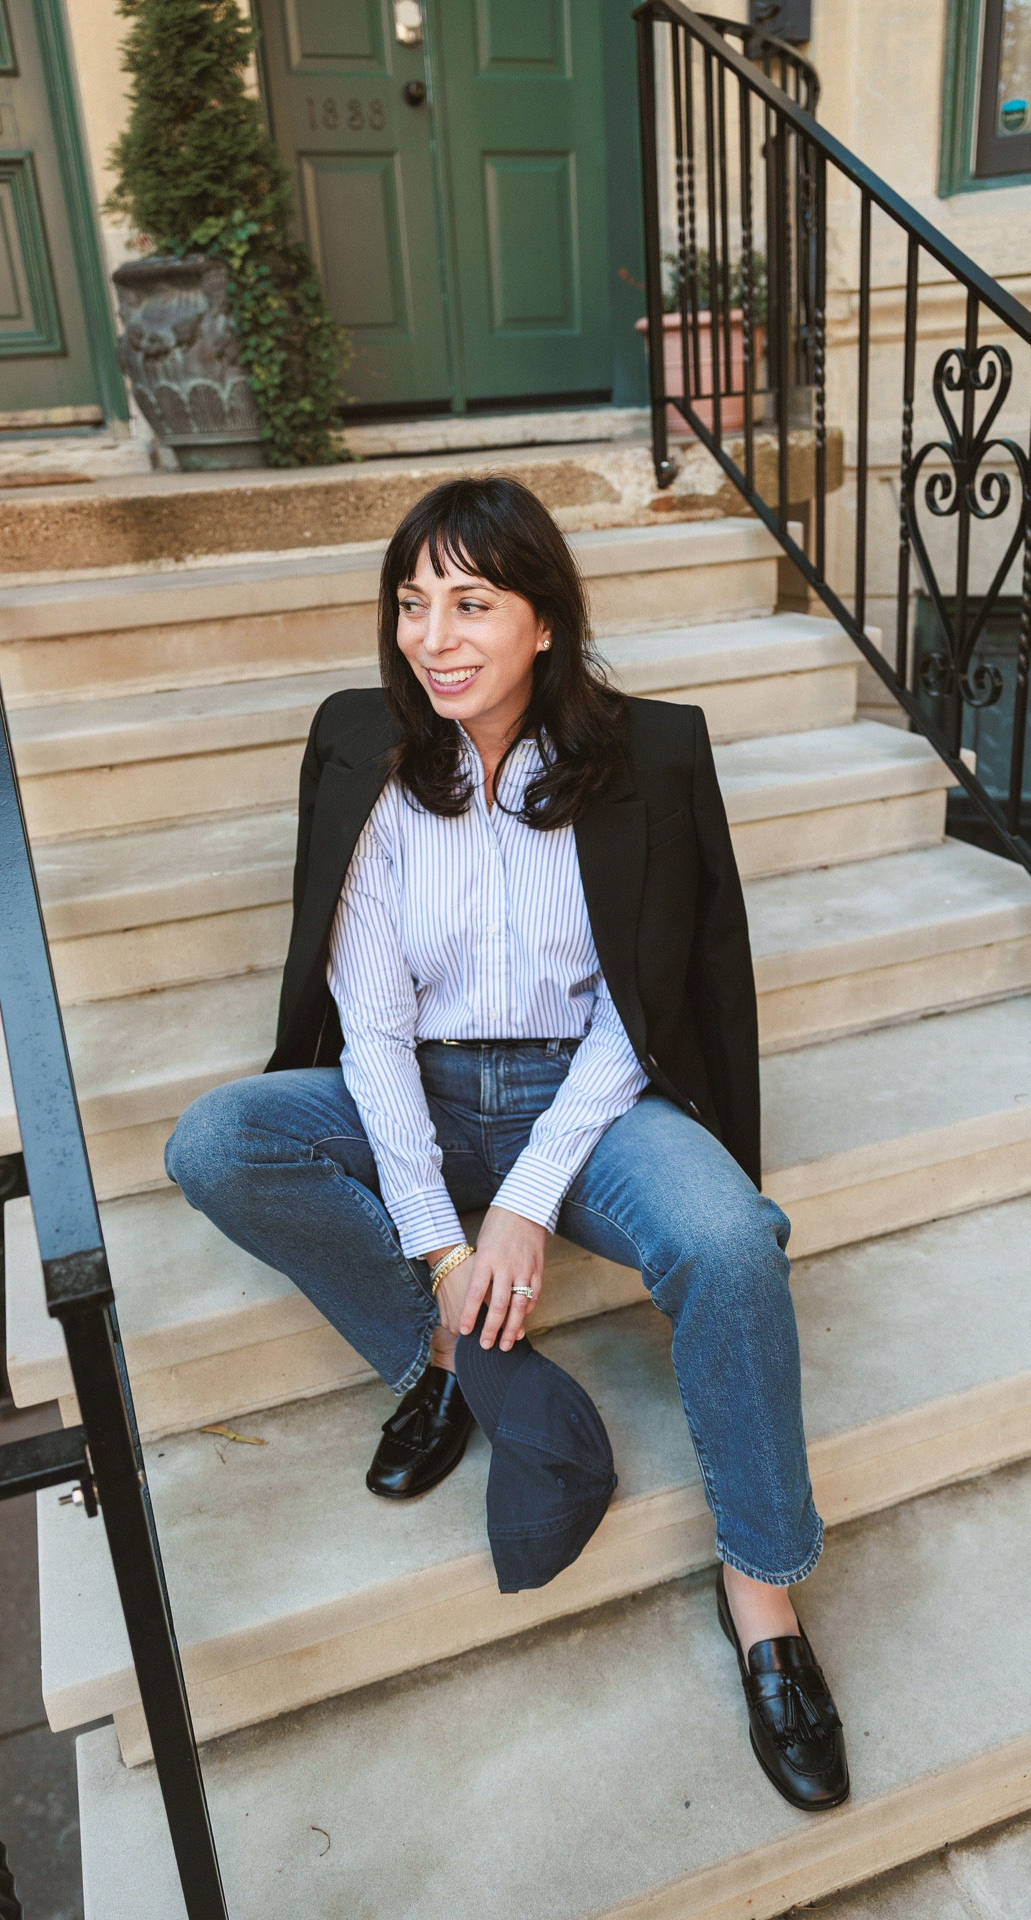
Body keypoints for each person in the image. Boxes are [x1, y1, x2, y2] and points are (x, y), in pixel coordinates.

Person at [165, 475, 848, 1811]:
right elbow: (368, 1024)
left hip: (590, 1102)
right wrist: (439, 1249)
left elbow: (635, 1011)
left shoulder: (643, 761)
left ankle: (762, 1594)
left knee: (728, 1240)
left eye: (472, 601)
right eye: (412, 603)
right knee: (218, 1142)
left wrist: (526, 1201)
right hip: (416, 1088)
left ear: (545, 618)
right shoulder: (370, 757)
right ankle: (448, 1361)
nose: (434, 637)